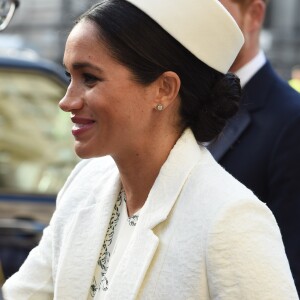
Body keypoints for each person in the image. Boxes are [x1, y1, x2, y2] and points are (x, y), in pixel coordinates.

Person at [3, 0, 298, 299]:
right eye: (69, 77)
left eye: (89, 78)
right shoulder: (85, 184)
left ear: (164, 89)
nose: (67, 101)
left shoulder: (230, 218)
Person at [208, 0, 300, 296]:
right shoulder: (176, 99)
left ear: (255, 15)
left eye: (215, 10)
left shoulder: (292, 119)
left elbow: (291, 264)